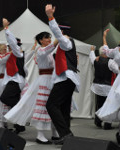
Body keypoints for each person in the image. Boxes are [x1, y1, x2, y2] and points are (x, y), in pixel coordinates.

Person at [5, 32, 59, 144]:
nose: (49, 39)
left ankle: (55, 133)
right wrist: (59, 36)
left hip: (51, 80)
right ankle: (40, 135)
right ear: (40, 40)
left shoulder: (48, 51)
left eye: (49, 37)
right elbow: (51, 47)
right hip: (44, 81)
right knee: (43, 107)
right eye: (46, 37)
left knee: (54, 107)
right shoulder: (41, 51)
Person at [45, 4, 80, 145]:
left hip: (66, 79)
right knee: (63, 108)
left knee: (51, 105)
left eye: (60, 31)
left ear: (62, 31)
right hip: (66, 79)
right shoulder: (62, 46)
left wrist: (50, 17)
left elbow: (58, 34)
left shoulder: (66, 42)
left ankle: (66, 134)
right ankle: (67, 137)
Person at [0, 18, 27, 134]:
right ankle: (19, 125)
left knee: (5, 98)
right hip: (13, 80)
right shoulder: (12, 55)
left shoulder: (18, 52)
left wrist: (6, 28)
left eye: (11, 46)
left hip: (16, 80)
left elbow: (12, 43)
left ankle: (19, 111)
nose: (10, 47)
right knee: (11, 100)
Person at [89, 45, 113, 130]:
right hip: (108, 86)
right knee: (109, 105)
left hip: (97, 85)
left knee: (99, 104)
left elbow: (91, 58)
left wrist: (92, 50)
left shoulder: (96, 60)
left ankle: (98, 121)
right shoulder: (111, 62)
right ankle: (107, 124)